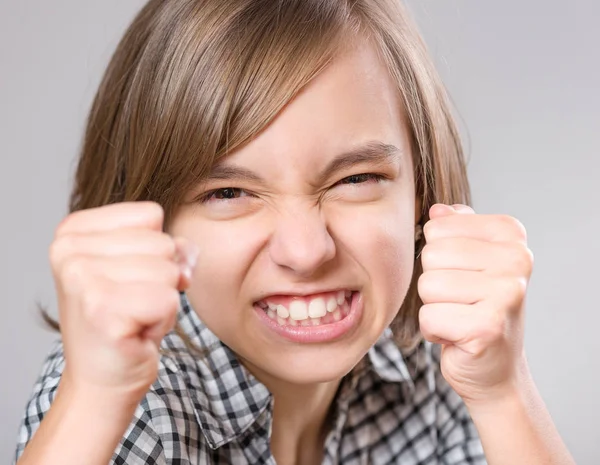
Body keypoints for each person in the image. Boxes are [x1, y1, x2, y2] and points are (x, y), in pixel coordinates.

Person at [14, 0, 575, 464]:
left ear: (422, 191)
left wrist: (503, 395)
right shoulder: (129, 401)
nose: (306, 252)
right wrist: (93, 402)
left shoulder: (428, 369)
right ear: (150, 220)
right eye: (229, 193)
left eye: (355, 179)